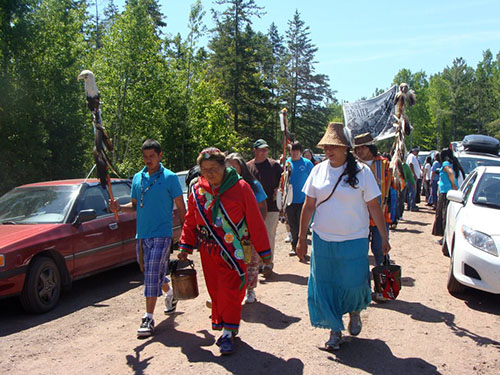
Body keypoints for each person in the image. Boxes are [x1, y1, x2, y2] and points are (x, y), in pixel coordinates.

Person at [296, 123, 390, 351]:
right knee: (326, 286)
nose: (329, 150)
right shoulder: (318, 171)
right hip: (323, 240)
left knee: (353, 283)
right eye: (326, 146)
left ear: (345, 148)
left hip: (354, 240)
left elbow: (374, 206)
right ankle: (335, 331)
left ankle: (355, 311)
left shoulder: (361, 172)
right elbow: (308, 206)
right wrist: (300, 239)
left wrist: (384, 237)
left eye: (334, 146)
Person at [178, 147, 271, 355]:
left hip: (233, 250)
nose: (209, 173)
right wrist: (185, 245)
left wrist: (265, 252)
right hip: (208, 251)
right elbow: (191, 220)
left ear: (223, 166)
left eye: (214, 168)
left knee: (231, 289)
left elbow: (255, 221)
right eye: (205, 169)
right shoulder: (197, 190)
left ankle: (228, 331)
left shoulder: (241, 187)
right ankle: (227, 324)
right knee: (216, 291)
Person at [109, 139, 186, 338]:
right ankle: (170, 294)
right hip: (142, 234)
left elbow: (181, 207)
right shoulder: (137, 178)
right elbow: (134, 205)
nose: (148, 160)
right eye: (145, 156)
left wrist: (186, 234)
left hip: (162, 234)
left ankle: (148, 317)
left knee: (151, 273)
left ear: (160, 156)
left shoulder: (169, 178)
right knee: (153, 272)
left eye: (152, 156)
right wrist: (119, 208)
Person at [353, 133, 393, 302]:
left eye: (363, 147)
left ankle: (384, 289)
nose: (360, 151)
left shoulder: (384, 164)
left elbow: (396, 184)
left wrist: (396, 172)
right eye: (357, 148)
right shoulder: (352, 166)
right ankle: (364, 291)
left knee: (380, 251)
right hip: (358, 217)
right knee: (360, 254)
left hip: (379, 216)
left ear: (370, 148)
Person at [226, 152, 267, 304]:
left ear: (241, 166)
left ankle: (250, 290)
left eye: (234, 165)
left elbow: (263, 207)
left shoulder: (253, 185)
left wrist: (257, 226)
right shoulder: (223, 187)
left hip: (249, 232)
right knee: (231, 261)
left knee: (250, 261)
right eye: (228, 165)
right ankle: (232, 292)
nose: (231, 168)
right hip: (230, 232)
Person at [247, 139, 282, 276]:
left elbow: (284, 181)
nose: (264, 152)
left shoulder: (274, 166)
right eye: (261, 149)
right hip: (253, 208)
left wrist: (279, 190)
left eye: (266, 149)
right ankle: (258, 263)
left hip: (272, 206)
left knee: (268, 234)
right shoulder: (248, 166)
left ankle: (268, 263)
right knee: (254, 236)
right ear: (255, 150)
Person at [286, 141, 314, 256]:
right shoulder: (287, 163)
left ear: (300, 151)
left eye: (296, 150)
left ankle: (302, 247)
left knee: (301, 225)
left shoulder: (307, 164)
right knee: (292, 225)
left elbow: (313, 180)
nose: (294, 153)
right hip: (290, 200)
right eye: (292, 150)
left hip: (304, 200)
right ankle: (294, 247)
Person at [432, 148, 459, 239]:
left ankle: (445, 237)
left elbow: (450, 173)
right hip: (448, 192)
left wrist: (453, 184)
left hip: (446, 193)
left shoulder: (445, 164)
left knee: (443, 215)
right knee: (446, 215)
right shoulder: (452, 163)